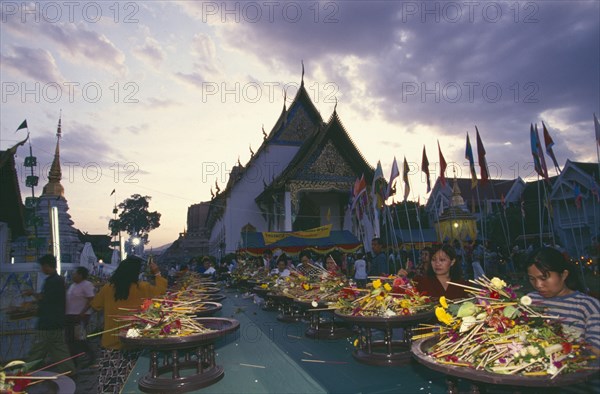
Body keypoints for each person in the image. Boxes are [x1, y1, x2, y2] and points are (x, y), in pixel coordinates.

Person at [90, 256, 167, 393]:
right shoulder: (142, 287)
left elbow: (95, 305)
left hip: (111, 341)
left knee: (110, 379)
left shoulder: (108, 288)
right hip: (133, 340)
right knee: (130, 379)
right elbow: (161, 292)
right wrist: (157, 273)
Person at [526, 247, 600, 355]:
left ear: (564, 275)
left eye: (544, 278)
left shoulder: (587, 305)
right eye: (532, 279)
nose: (538, 285)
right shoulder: (529, 301)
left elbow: (596, 350)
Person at [23, 254, 76, 374]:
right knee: (60, 350)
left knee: (36, 352)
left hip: (47, 323)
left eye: (42, 266)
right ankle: (70, 372)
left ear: (47, 266)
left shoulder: (51, 281)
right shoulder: (59, 280)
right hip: (57, 322)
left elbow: (45, 299)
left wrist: (32, 294)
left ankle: (25, 374)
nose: (41, 269)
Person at [402, 244, 468, 299]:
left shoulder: (463, 285)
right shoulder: (420, 282)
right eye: (433, 260)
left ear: (452, 262)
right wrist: (400, 279)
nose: (437, 263)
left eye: (442, 260)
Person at [65, 266, 96, 367]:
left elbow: (91, 299)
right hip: (70, 315)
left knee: (79, 338)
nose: (73, 276)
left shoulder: (86, 285)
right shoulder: (73, 285)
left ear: (80, 275)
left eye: (75, 274)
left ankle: (90, 356)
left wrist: (82, 312)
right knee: (72, 339)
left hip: (80, 316)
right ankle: (75, 360)